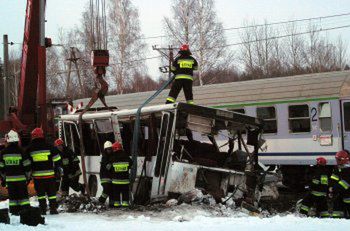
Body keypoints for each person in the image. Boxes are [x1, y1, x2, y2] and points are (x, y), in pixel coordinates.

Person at [26, 128, 62, 215]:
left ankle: (43, 209)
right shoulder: (50, 146)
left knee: (41, 194)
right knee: (52, 193)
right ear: (42, 136)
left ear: (33, 136)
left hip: (38, 177)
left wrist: (28, 174)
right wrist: (57, 169)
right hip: (50, 176)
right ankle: (53, 209)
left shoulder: (30, 149)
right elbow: (57, 159)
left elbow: (26, 163)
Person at [0, 130, 31, 215]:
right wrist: (28, 178)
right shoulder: (21, 152)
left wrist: (3, 179)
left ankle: (14, 212)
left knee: (13, 197)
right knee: (23, 197)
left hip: (10, 180)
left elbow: (1, 168)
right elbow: (27, 166)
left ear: (8, 140)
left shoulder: (3, 153)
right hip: (21, 179)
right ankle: (25, 211)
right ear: (17, 140)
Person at [109, 141, 132, 207]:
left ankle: (117, 205)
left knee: (116, 193)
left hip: (116, 181)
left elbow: (109, 168)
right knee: (125, 193)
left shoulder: (112, 157)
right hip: (125, 180)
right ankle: (125, 204)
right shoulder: (125, 156)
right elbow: (131, 163)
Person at [329, 150, 350, 218]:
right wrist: (330, 187)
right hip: (341, 193)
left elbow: (346, 183)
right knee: (337, 208)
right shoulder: (338, 167)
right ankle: (338, 223)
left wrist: (334, 189)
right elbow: (334, 178)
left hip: (347, 193)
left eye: (339, 159)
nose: (337, 161)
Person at [98, 141, 113, 205]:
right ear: (105, 150)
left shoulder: (112, 156)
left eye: (110, 149)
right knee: (106, 190)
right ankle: (101, 201)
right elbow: (108, 167)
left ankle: (111, 203)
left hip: (110, 177)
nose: (109, 150)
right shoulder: (104, 157)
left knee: (110, 190)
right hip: (104, 177)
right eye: (108, 149)